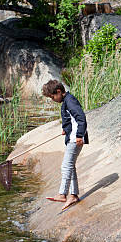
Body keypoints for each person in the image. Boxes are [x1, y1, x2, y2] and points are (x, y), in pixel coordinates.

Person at [41, 80, 89, 209]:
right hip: (72, 136)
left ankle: (62, 194)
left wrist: (79, 135)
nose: (52, 100)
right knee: (70, 166)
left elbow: (81, 118)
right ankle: (73, 196)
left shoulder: (70, 101)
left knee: (66, 166)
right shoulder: (66, 101)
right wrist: (66, 129)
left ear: (58, 92)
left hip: (75, 139)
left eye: (52, 97)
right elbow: (71, 119)